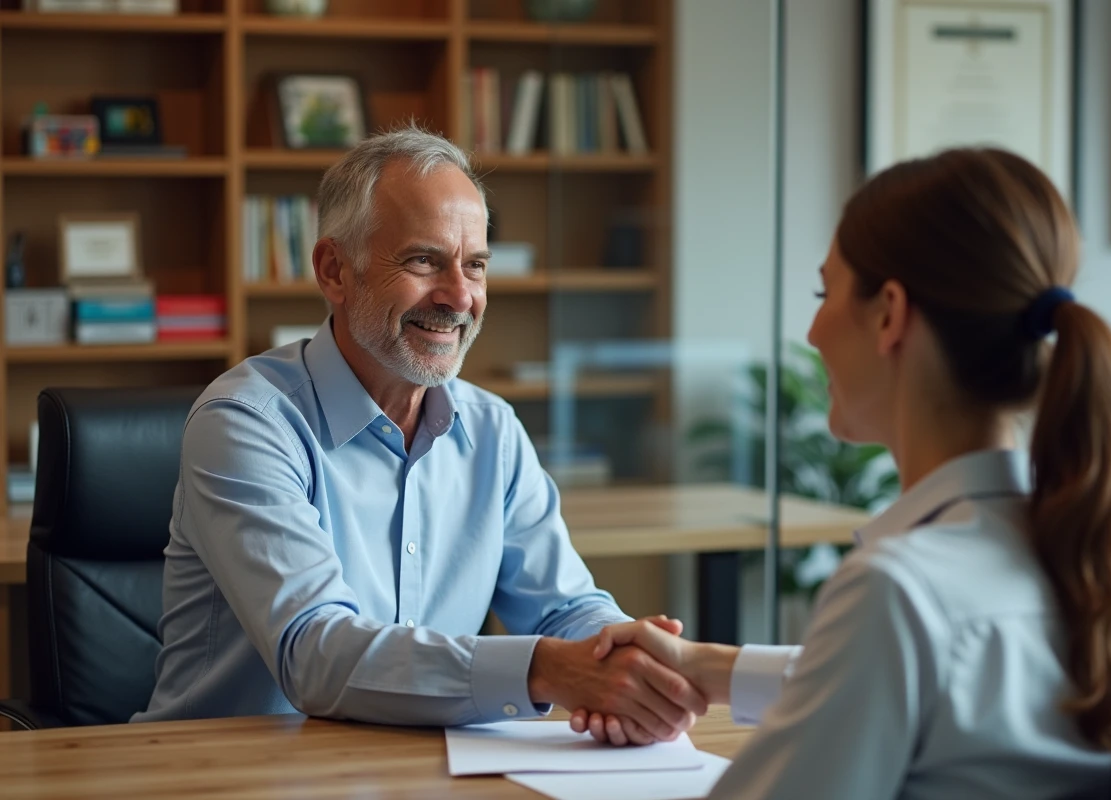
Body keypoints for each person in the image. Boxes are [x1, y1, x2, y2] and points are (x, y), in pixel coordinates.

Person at [572, 148, 1111, 798]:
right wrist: (706, 667)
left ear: (890, 314)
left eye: (826, 293)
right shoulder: (1099, 552)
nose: (813, 331)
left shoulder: (902, 591)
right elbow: (914, 680)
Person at [134, 125, 705, 743]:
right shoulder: (247, 423)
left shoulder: (492, 431)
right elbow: (313, 652)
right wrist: (544, 671)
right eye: (423, 260)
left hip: (413, 771)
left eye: (476, 266)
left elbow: (564, 607)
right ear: (335, 271)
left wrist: (627, 662)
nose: (459, 296)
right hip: (223, 774)